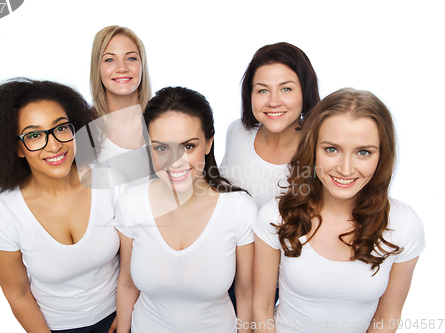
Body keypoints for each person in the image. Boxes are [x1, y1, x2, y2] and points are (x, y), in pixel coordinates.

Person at [252, 88, 425, 333]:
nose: (345, 169)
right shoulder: (276, 216)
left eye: (363, 152)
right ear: (312, 149)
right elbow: (261, 309)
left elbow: (388, 317)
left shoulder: (404, 224)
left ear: (382, 155)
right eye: (331, 149)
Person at [0, 78, 125, 332]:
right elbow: (17, 295)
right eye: (35, 135)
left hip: (123, 314)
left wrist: (126, 313)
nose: (54, 144)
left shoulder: (106, 181)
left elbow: (133, 256)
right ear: (17, 148)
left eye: (61, 128)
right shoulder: (5, 215)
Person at [115, 87, 257, 333]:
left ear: (208, 143)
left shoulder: (239, 209)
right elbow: (127, 285)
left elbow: (245, 293)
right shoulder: (131, 203)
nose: (176, 161)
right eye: (161, 148)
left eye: (188, 146)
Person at [220, 42, 320, 208]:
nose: (273, 102)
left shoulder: (321, 150)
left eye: (286, 89)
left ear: (305, 91)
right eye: (263, 90)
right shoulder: (237, 131)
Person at [80, 25, 153, 186]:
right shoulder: (84, 131)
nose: (122, 68)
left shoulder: (163, 122)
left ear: (142, 65)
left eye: (131, 58)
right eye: (109, 60)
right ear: (97, 68)